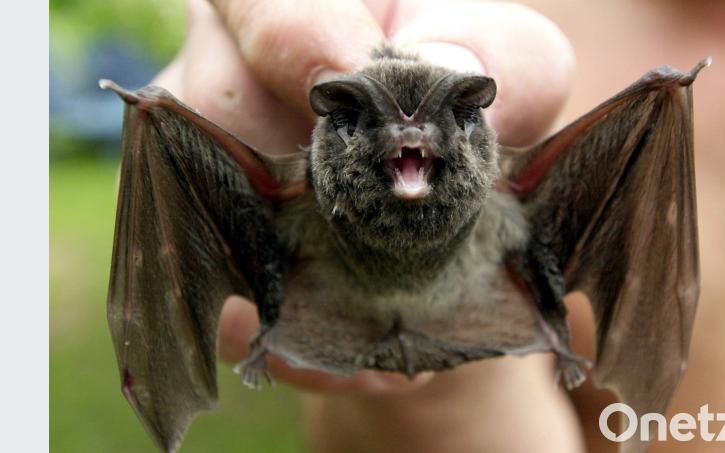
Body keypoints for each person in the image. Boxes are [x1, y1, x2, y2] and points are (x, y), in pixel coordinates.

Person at [155, 0, 583, 451]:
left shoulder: (510, 201)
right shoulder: (297, 195)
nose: (410, 137)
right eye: (385, 125)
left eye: (432, 124)